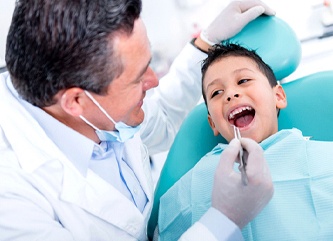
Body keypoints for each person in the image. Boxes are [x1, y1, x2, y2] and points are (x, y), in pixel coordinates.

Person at [0, 1, 276, 240]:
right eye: (137, 78)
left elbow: (163, 116)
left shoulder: (99, 108)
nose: (153, 80)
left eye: (148, 64)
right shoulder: (12, 201)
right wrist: (223, 222)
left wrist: (206, 42)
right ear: (75, 102)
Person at [157, 43, 333, 240]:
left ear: (278, 96)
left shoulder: (325, 159)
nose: (231, 94)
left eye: (243, 80)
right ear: (212, 123)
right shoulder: (191, 187)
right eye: (216, 92)